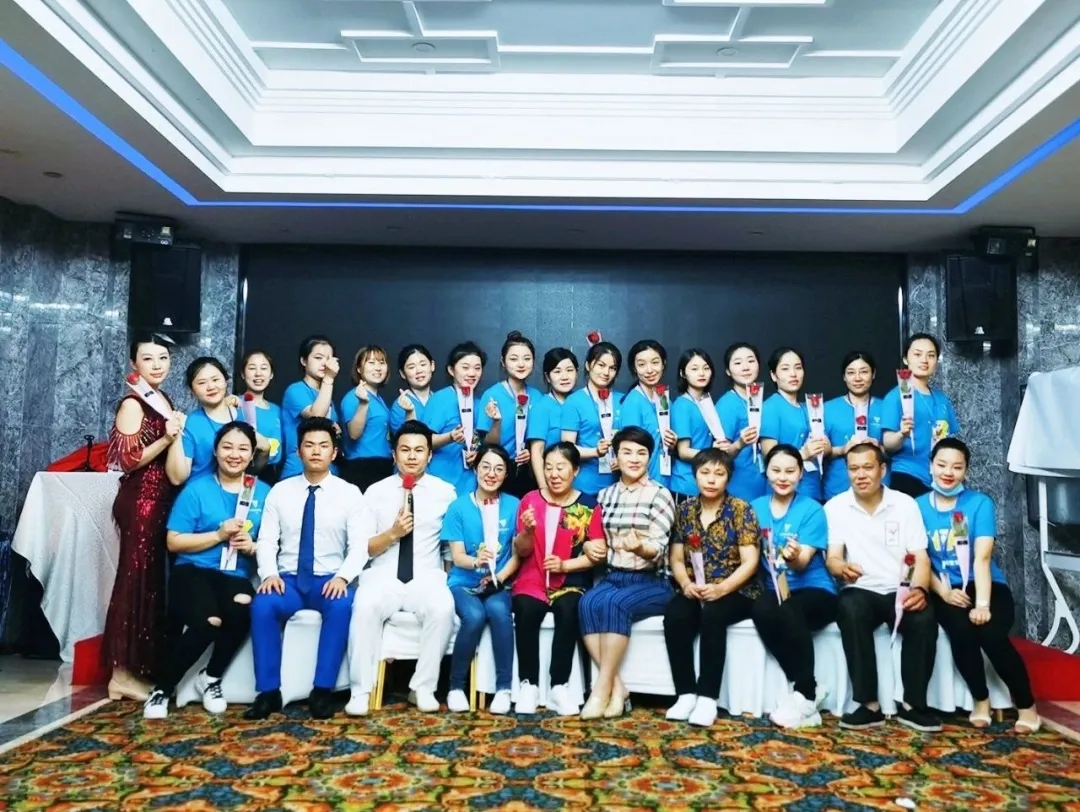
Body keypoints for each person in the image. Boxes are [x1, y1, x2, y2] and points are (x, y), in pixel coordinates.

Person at [143, 422, 270, 719]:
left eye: (243, 449)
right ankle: (162, 689)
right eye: (227, 447)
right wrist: (218, 535)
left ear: (252, 455)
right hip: (193, 570)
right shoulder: (197, 489)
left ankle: (210, 678)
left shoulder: (263, 492)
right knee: (208, 621)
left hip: (235, 574)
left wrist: (252, 547)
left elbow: (273, 541)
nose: (234, 455)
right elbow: (173, 541)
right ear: (215, 451)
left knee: (245, 607)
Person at [246, 417, 367, 720]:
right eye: (309, 445)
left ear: (334, 453)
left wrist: (343, 578)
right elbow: (267, 540)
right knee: (262, 605)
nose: (316, 451)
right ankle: (268, 692)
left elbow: (360, 546)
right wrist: (269, 574)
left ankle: (322, 690)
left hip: (329, 580)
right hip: (287, 580)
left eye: (323, 446)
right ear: (298, 451)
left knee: (342, 606)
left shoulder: (350, 493)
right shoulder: (280, 492)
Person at [917, 438, 1040, 733]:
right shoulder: (916, 507)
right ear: (930, 466)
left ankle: (1027, 706)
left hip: (984, 583)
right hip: (945, 587)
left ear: (966, 471)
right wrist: (944, 592)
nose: (948, 472)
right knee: (961, 632)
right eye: (942, 465)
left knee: (991, 635)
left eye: (957, 467)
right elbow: (919, 559)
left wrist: (982, 604)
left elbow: (982, 558)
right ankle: (980, 699)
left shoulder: (979, 503)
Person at [825, 442, 941, 732]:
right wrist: (841, 568)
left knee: (923, 616)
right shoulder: (836, 506)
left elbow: (921, 557)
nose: (860, 475)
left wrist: (920, 589)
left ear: (882, 469)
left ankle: (913, 705)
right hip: (861, 588)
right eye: (853, 469)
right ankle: (869, 705)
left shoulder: (905, 504)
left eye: (867, 467)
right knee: (849, 609)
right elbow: (833, 558)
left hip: (900, 587)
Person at [346, 420, 458, 716]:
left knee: (443, 607)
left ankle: (422, 687)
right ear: (394, 454)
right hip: (383, 574)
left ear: (429, 455)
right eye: (405, 450)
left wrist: (446, 579)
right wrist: (392, 533)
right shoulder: (375, 492)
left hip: (426, 575)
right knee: (365, 605)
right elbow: (364, 548)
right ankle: (360, 691)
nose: (412, 456)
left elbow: (449, 548)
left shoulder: (445, 492)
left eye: (419, 450)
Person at [104, 334, 183, 702]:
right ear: (134, 364)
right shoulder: (133, 403)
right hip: (140, 501)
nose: (157, 365)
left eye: (163, 358)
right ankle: (120, 674)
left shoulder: (162, 399)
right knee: (133, 582)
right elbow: (126, 461)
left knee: (149, 583)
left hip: (161, 500)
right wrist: (166, 439)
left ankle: (138, 668)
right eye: (148, 358)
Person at [578, 427, 676, 720]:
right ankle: (618, 688)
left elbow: (658, 549)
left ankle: (600, 690)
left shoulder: (659, 495)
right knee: (587, 603)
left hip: (653, 581)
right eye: (627, 452)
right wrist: (589, 545)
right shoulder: (605, 495)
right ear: (615, 457)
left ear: (650, 458)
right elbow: (594, 537)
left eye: (641, 453)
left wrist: (640, 547)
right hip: (614, 576)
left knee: (613, 604)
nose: (634, 459)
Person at [664, 448, 761, 728]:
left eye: (719, 474)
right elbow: (676, 558)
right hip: (696, 587)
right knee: (676, 614)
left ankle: (707, 698)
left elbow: (750, 562)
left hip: (737, 590)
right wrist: (685, 584)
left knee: (713, 614)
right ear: (695, 475)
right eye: (705, 472)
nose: (711, 479)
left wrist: (721, 589)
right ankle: (685, 694)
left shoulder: (741, 509)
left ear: (728, 478)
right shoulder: (685, 510)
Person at [512, 442, 605, 716]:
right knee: (526, 609)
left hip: (571, 580)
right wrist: (528, 532)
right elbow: (521, 550)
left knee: (570, 609)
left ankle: (559, 686)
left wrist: (565, 565)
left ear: (575, 470)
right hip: (533, 577)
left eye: (561, 467)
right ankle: (528, 685)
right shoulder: (530, 501)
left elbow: (597, 555)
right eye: (548, 467)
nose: (553, 474)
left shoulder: (589, 506)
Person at [750, 444, 838, 729]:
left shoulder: (812, 510)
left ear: (801, 473)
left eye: (790, 471)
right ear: (766, 472)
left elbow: (801, 564)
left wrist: (794, 556)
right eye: (776, 470)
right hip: (775, 588)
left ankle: (805, 694)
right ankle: (809, 688)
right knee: (761, 609)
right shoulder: (754, 508)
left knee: (789, 609)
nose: (783, 477)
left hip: (815, 589)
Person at [443, 445, 522, 714]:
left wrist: (498, 577)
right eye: (486, 467)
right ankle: (456, 687)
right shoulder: (458, 507)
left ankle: (504, 688)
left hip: (499, 581)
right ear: (476, 469)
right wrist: (476, 561)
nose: (491, 474)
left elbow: (517, 555)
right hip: (463, 582)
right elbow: (457, 556)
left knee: (499, 612)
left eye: (499, 469)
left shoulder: (514, 505)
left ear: (506, 474)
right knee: (474, 616)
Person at [883, 333, 960, 497]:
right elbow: (888, 444)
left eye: (931, 355)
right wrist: (901, 434)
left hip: (939, 477)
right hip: (907, 474)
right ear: (906, 359)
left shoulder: (942, 399)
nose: (924, 360)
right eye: (917, 354)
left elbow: (949, 439)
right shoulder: (895, 396)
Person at [478, 332, 544, 497]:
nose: (521, 364)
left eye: (527, 359)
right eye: (514, 359)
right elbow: (487, 445)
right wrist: (497, 422)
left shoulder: (537, 397)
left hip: (529, 472)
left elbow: (539, 439)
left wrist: (529, 451)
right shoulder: (492, 395)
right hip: (499, 471)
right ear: (503, 362)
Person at [760, 347, 829, 502]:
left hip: (812, 486)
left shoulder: (809, 407)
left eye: (798, 367)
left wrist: (824, 446)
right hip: (785, 488)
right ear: (773, 375)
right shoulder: (771, 407)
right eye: (785, 369)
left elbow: (826, 447)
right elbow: (769, 454)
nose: (793, 374)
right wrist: (803, 454)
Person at [425, 341, 495, 493]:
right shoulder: (440, 399)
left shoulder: (481, 403)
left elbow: (479, 438)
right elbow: (423, 441)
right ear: (451, 370)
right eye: (465, 367)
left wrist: (478, 452)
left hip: (470, 482)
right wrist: (450, 437)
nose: (472, 373)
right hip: (441, 479)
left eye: (477, 368)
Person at [561, 340, 624, 497]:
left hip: (619, 487)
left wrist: (624, 458)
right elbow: (567, 448)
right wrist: (595, 451)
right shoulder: (574, 401)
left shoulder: (623, 400)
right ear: (588, 365)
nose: (606, 372)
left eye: (612, 368)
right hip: (585, 486)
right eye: (601, 365)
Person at [823, 351, 888, 501]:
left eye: (864, 372)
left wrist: (878, 447)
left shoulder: (886, 407)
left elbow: (897, 451)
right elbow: (820, 453)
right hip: (837, 488)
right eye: (851, 373)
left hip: (879, 489)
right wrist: (843, 449)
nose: (858, 378)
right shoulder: (827, 409)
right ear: (844, 377)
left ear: (873, 374)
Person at [165, 357, 236, 487]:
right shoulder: (190, 423)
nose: (211, 387)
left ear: (226, 381)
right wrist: (176, 435)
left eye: (215, 380)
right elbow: (176, 478)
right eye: (202, 383)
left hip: (237, 491)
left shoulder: (244, 413)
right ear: (192, 391)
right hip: (199, 492)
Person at [618, 340, 677, 490]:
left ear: (663, 363)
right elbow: (629, 449)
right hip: (642, 484)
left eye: (655, 362)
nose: (649, 370)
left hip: (665, 479)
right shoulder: (633, 402)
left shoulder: (664, 399)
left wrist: (672, 442)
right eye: (642, 364)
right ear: (634, 368)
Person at [280, 335, 341, 480]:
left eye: (329, 359)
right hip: (298, 470)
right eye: (318, 358)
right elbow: (317, 416)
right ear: (304, 361)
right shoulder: (295, 390)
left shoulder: (327, 395)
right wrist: (329, 378)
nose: (324, 363)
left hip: (328, 471)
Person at [715, 342, 768, 502]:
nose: (745, 367)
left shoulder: (758, 401)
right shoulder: (727, 404)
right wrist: (740, 443)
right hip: (738, 486)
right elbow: (720, 454)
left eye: (751, 361)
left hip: (762, 483)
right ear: (728, 371)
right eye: (738, 363)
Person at [670, 348, 723, 503]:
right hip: (686, 483)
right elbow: (683, 452)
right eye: (694, 369)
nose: (701, 373)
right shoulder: (682, 405)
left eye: (706, 368)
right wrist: (713, 452)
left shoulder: (706, 402)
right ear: (683, 374)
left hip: (705, 480)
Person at [341, 345, 394, 492]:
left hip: (382, 465)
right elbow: (354, 434)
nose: (378, 368)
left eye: (381, 363)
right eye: (371, 363)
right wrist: (363, 404)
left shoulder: (378, 399)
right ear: (359, 369)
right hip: (363, 467)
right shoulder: (353, 397)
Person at [525, 348, 579, 487]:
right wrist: (543, 488)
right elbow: (537, 452)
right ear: (548, 377)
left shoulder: (581, 401)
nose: (564, 376)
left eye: (569, 370)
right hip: (553, 481)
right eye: (557, 371)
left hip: (580, 478)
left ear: (577, 372)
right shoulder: (542, 407)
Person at [239, 350, 284, 480]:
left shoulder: (277, 410)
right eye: (252, 368)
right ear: (243, 374)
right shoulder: (235, 405)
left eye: (264, 368)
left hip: (272, 475)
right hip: (244, 472)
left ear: (271, 374)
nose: (258, 373)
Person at [389, 344, 435, 433]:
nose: (419, 371)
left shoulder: (441, 400)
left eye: (423, 364)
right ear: (402, 373)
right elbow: (403, 438)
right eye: (411, 367)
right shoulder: (399, 405)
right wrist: (409, 413)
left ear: (432, 365)